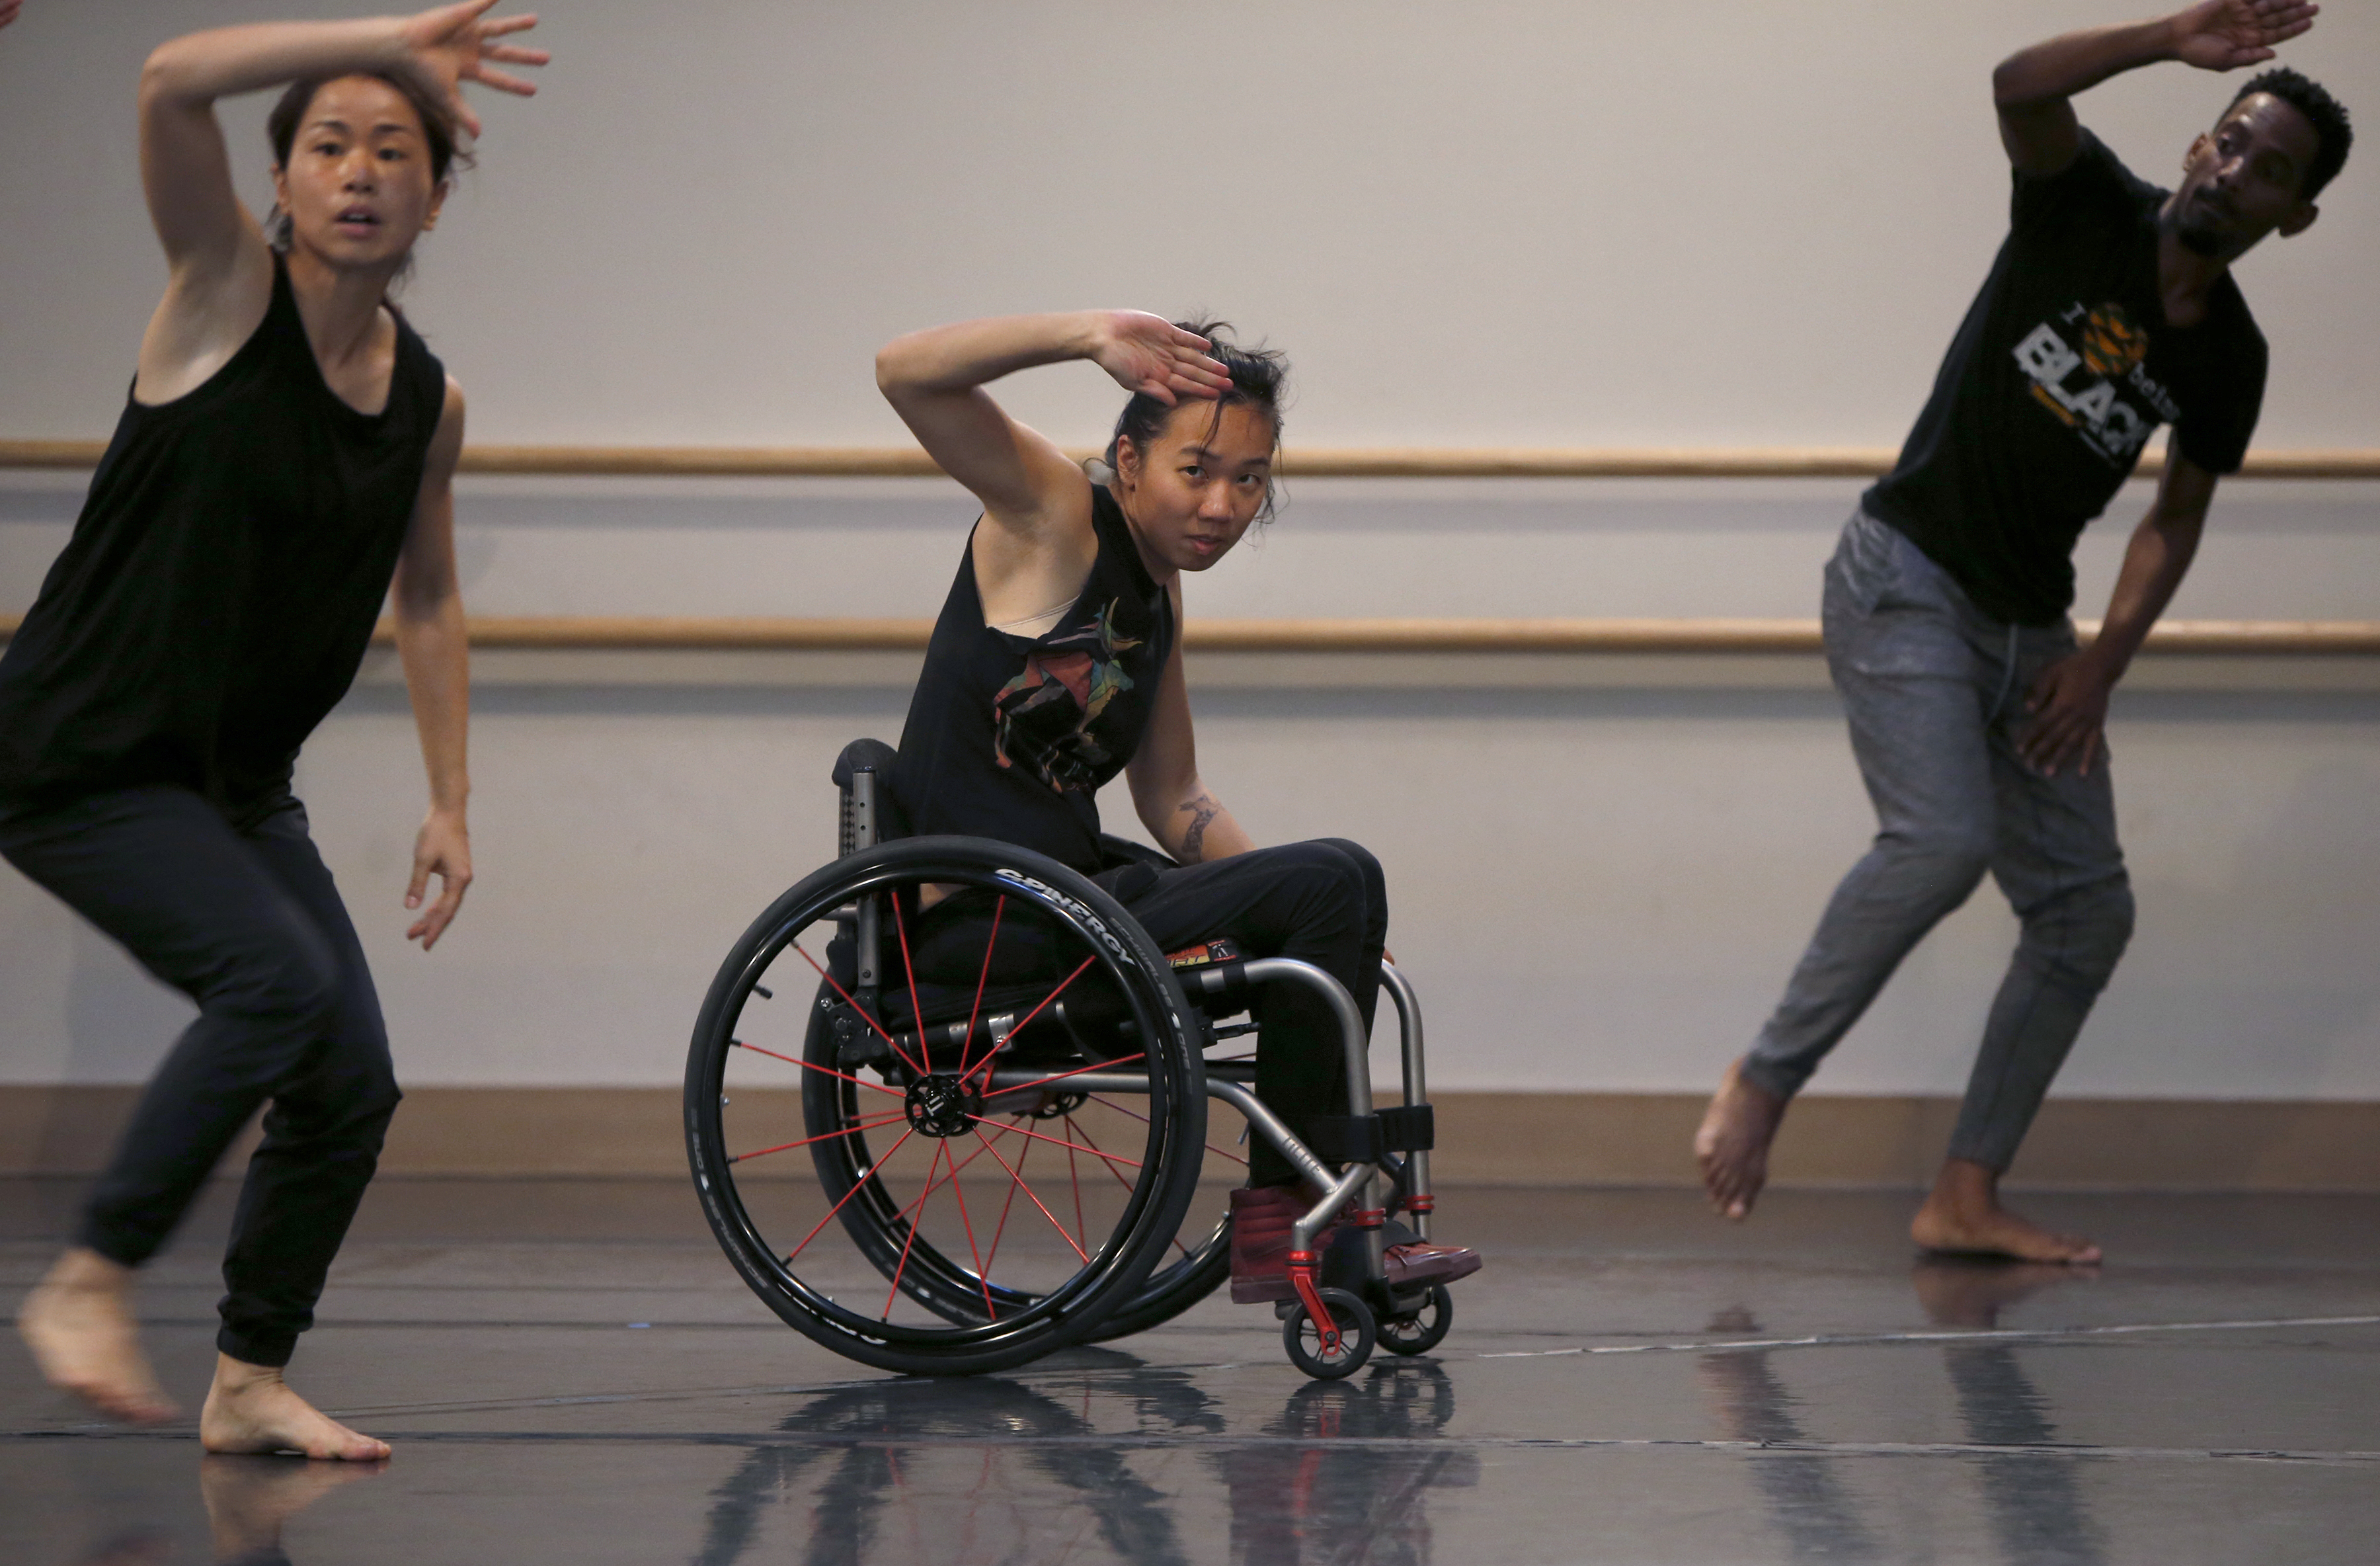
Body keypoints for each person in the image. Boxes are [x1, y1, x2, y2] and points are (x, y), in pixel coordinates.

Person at [1695, 0, 2350, 1262]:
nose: (2235, 170)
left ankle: (1963, 1193)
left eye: (2271, 171)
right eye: (2230, 141)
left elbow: (2175, 516)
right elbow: (2015, 85)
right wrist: (2170, 35)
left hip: (2030, 632)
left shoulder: (2234, 357)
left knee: (2086, 912)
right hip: (1906, 578)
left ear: (2294, 214)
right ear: (2204, 137)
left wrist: (2101, 665)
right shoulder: (2085, 203)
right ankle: (1767, 1078)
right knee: (1943, 840)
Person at [5, 2, 545, 1458]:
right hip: (75, 753)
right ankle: (90, 1276)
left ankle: (248, 1379)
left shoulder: (430, 401)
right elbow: (169, 76)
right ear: (281, 184)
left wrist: (452, 799)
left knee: (349, 1078)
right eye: (328, 144)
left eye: (392, 148)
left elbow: (427, 599)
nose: (360, 170)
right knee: (272, 981)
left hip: (236, 784)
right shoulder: (216, 295)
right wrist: (396, 36)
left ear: (435, 193)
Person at [875, 311, 1480, 1301]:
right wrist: (1082, 337)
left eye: (1249, 479)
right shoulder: (1054, 517)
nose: (1224, 503)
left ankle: (1316, 1223)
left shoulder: (1156, 591)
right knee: (1335, 876)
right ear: (1127, 459)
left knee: (1334, 890)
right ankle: (1299, 1231)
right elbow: (903, 370)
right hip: (987, 926)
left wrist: (1336, 924)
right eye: (1195, 470)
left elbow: (1175, 796)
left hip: (1071, 904)